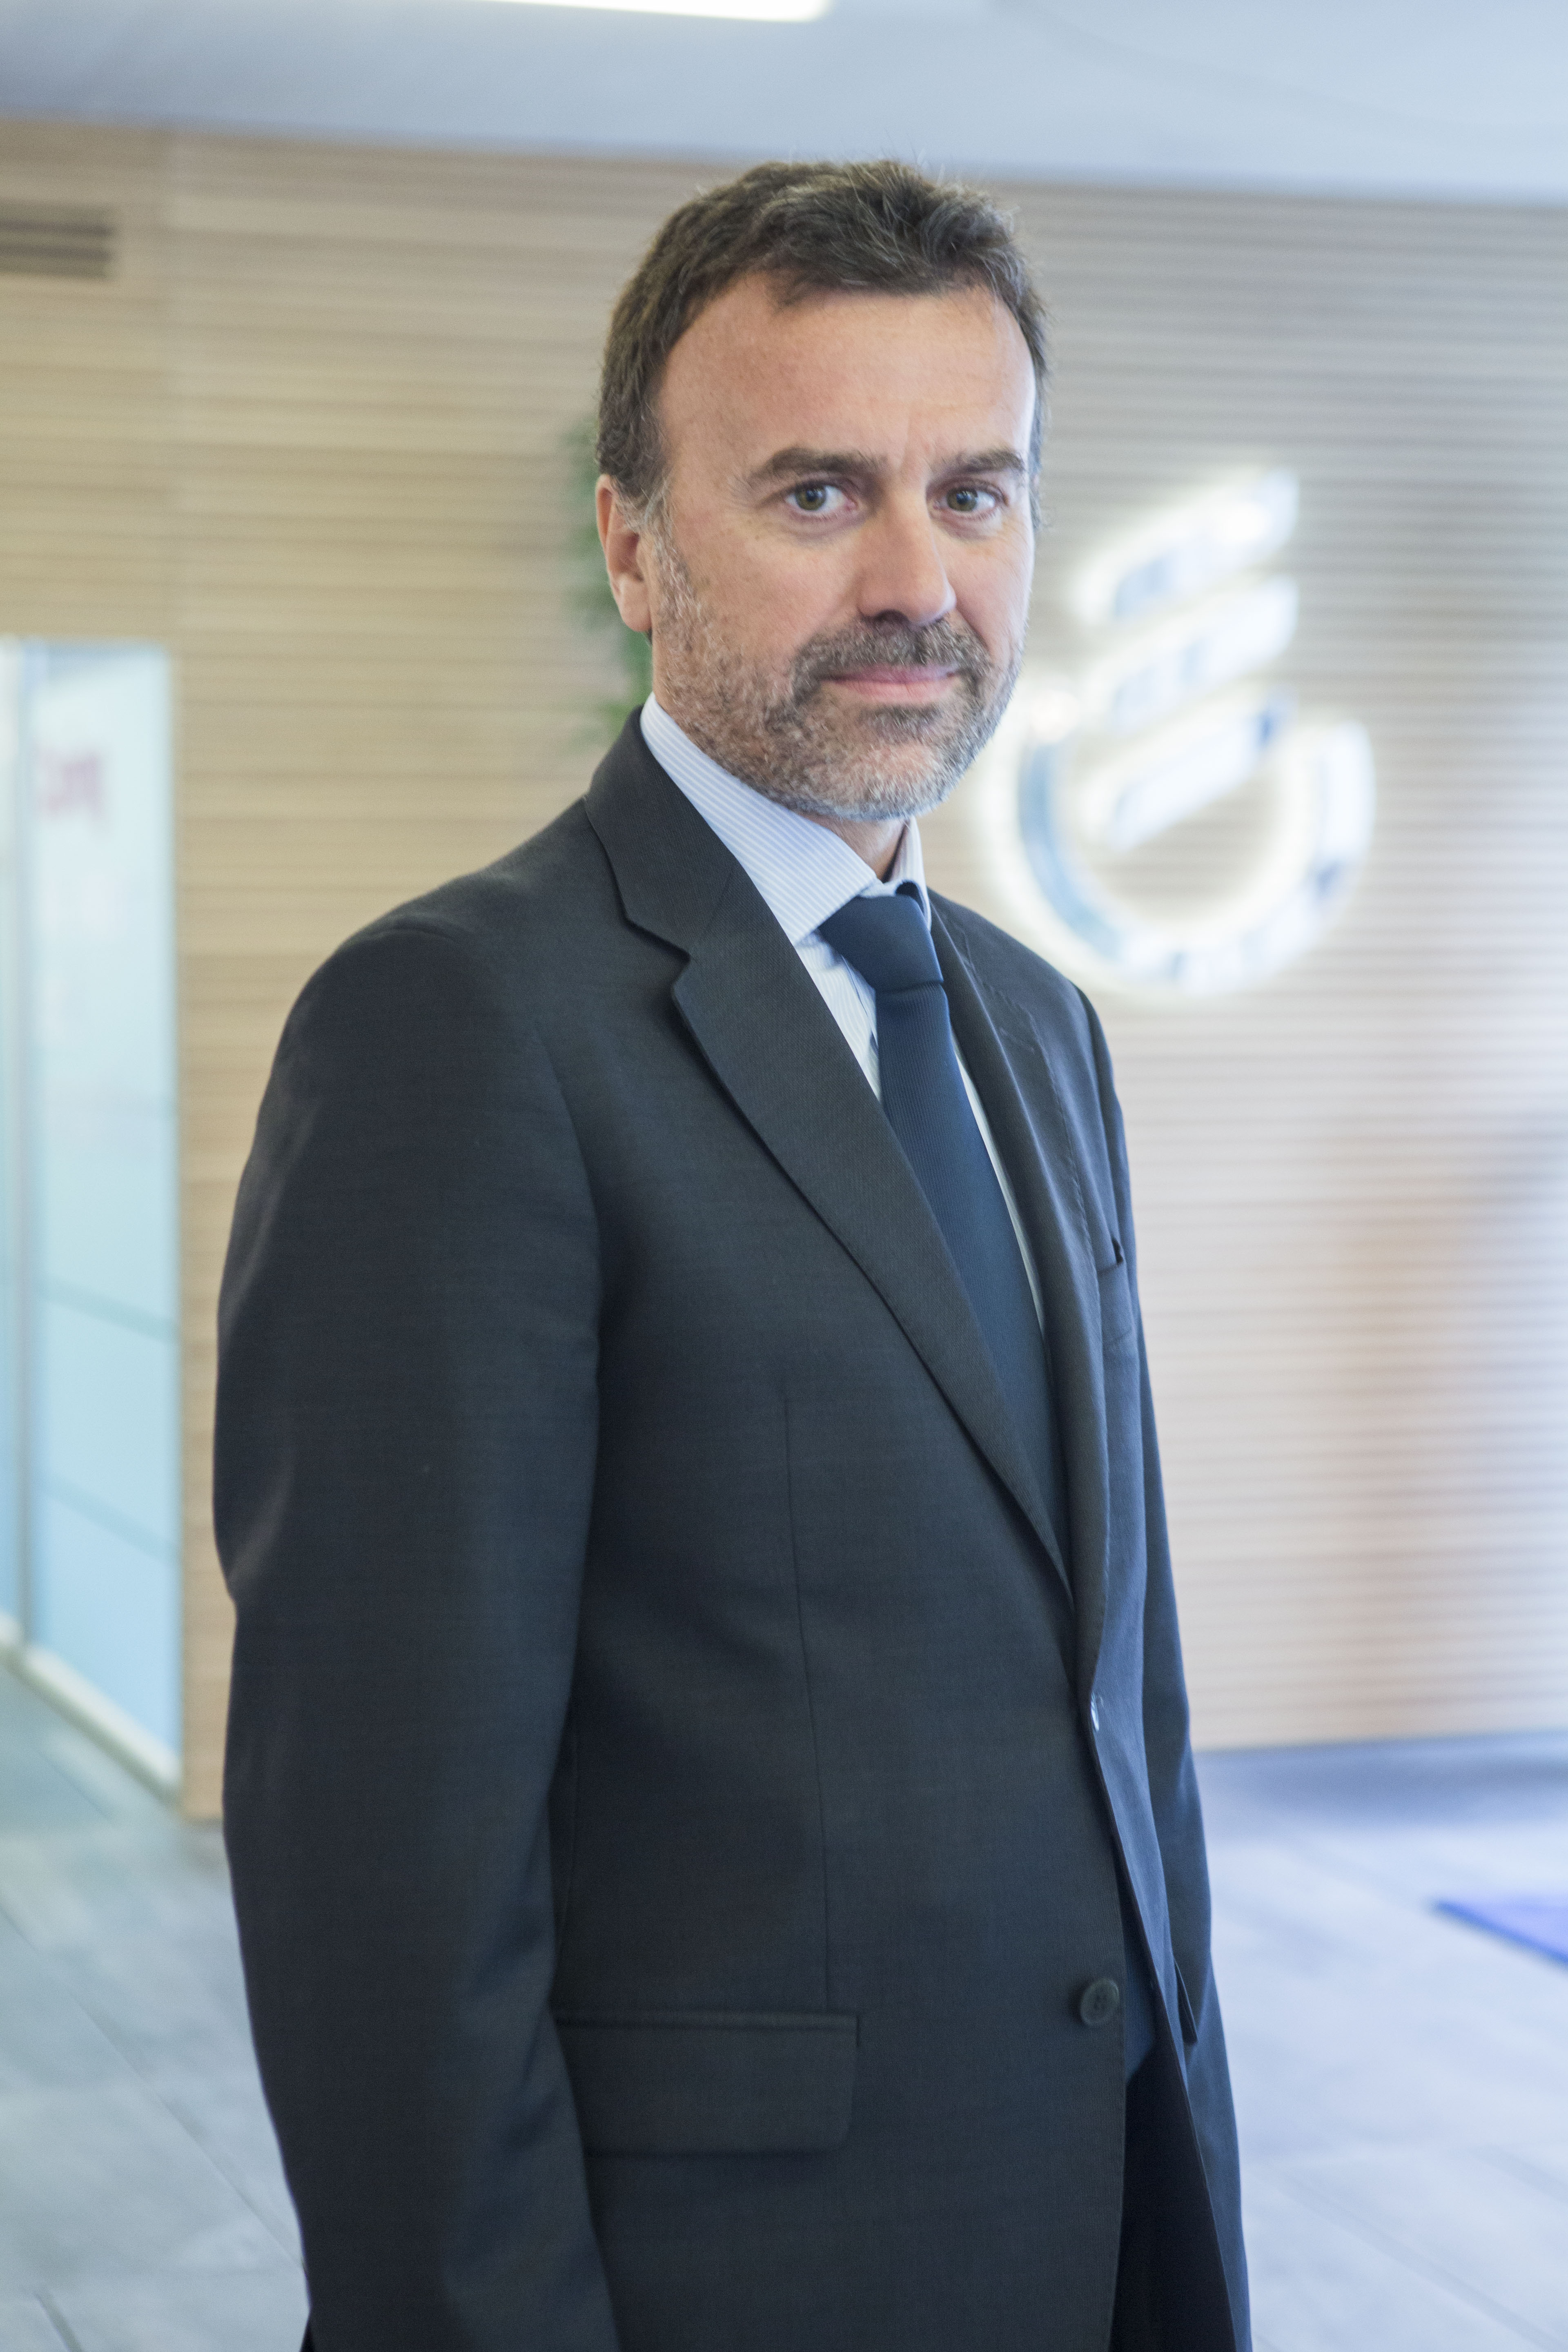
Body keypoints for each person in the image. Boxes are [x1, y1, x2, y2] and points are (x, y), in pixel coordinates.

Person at [216, 159, 1249, 2352]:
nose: (916, 581)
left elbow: (1120, 1708)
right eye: (816, 493)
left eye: (976, 494)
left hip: (1087, 2231)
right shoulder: (460, 1026)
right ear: (633, 544)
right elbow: (385, 1872)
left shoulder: (1035, 1026)